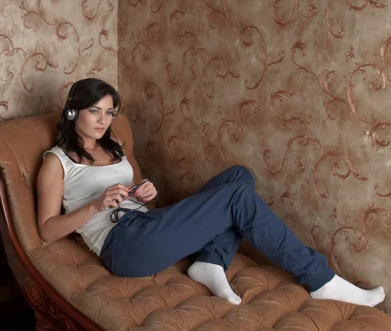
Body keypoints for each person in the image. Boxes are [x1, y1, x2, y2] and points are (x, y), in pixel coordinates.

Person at [36, 78, 385, 307]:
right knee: (237, 197)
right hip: (123, 247)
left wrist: (144, 195)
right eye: (94, 111)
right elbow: (47, 230)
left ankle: (209, 262)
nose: (102, 120)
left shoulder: (114, 147)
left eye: (109, 112)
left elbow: (141, 200)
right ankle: (320, 280)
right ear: (72, 111)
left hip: (147, 224)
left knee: (239, 175)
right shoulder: (58, 161)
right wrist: (96, 204)